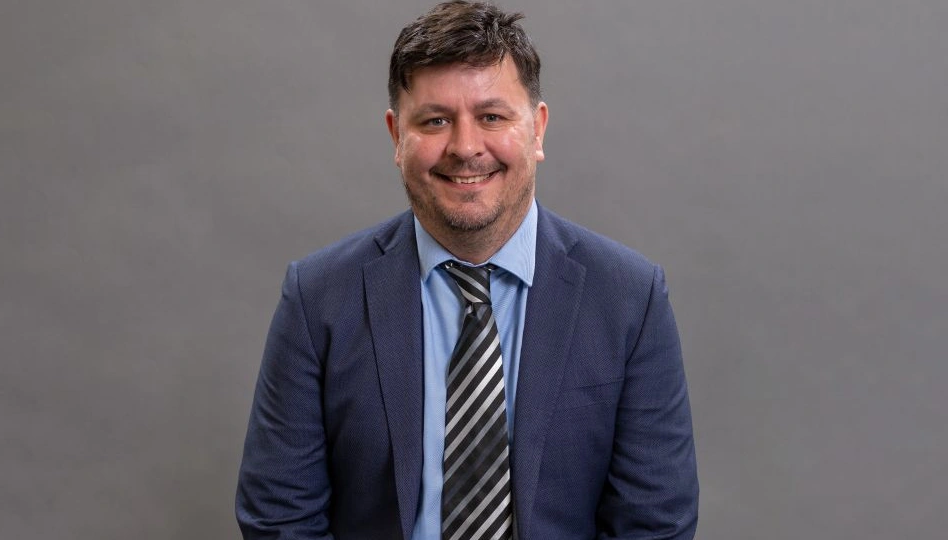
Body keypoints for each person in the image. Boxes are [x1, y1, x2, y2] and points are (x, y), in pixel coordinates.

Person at [235, 2, 698, 539]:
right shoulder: (317, 299)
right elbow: (279, 518)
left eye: (492, 117)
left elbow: (655, 524)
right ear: (395, 137)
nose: (465, 147)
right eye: (435, 120)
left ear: (538, 128)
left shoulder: (629, 299)